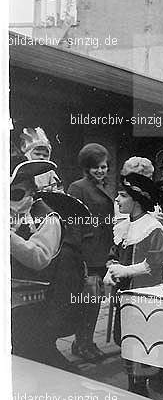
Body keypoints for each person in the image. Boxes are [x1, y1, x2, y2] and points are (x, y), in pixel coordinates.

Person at [10, 155, 79, 372]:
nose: (26, 196)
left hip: (31, 309)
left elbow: (39, 258)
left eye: (22, 191)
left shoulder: (48, 218)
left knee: (36, 364)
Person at [104, 171, 163, 396]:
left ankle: (142, 387)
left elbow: (155, 263)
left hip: (145, 294)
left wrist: (126, 270)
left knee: (142, 341)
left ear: (137, 199)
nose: (117, 201)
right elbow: (114, 254)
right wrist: (111, 270)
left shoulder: (153, 227)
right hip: (125, 293)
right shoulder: (123, 226)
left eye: (122, 196)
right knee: (126, 339)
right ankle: (134, 384)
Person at [66, 143, 114, 361]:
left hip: (102, 252)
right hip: (86, 253)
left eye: (103, 166)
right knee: (88, 300)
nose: (100, 171)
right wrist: (78, 254)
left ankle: (86, 341)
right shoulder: (77, 188)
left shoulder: (104, 187)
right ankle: (81, 342)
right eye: (95, 167)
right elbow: (72, 222)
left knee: (95, 302)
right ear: (86, 167)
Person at [19, 127, 63, 192]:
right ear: (28, 154)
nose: (41, 157)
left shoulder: (50, 173)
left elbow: (58, 189)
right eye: (37, 154)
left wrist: (54, 191)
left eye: (45, 155)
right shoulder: (21, 171)